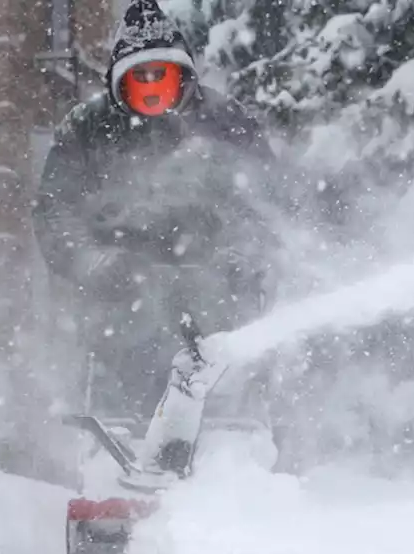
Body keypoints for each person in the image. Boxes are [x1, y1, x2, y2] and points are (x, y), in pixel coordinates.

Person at [33, 0, 279, 427]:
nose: (149, 84)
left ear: (179, 74)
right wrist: (94, 263)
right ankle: (119, 450)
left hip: (215, 289)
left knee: (219, 377)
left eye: (158, 74)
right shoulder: (88, 128)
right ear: (119, 80)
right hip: (120, 294)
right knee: (126, 362)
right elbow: (56, 210)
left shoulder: (227, 122)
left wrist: (241, 257)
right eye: (139, 75)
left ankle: (226, 452)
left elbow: (266, 202)